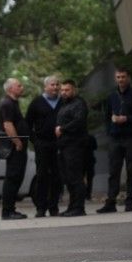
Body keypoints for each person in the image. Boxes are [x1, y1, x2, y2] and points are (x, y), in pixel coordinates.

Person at [97, 67, 132, 213]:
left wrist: (127, 119)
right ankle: (110, 202)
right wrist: (110, 130)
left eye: (123, 77)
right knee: (114, 171)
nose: (121, 80)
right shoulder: (112, 96)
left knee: (131, 170)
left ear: (128, 78)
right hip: (115, 138)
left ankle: (129, 202)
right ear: (116, 79)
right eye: (118, 77)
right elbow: (106, 116)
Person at [24, 74, 62, 217]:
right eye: (52, 84)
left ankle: (54, 207)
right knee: (42, 176)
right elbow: (27, 124)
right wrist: (35, 141)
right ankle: (41, 208)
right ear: (45, 87)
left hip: (59, 144)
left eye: (57, 84)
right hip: (42, 144)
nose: (55, 87)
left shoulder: (63, 102)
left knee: (57, 176)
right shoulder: (36, 102)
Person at [54, 78, 89, 217]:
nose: (64, 92)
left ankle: (79, 207)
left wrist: (62, 129)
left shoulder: (79, 104)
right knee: (68, 178)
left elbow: (79, 121)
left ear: (74, 90)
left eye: (67, 90)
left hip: (75, 145)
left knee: (75, 177)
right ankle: (72, 206)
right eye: (62, 90)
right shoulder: (63, 104)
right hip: (64, 146)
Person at [0, 78, 29, 220]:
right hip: (14, 148)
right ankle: (8, 211)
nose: (22, 87)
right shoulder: (7, 103)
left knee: (17, 178)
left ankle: (11, 209)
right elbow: (8, 125)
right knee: (12, 178)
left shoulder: (14, 103)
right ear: (10, 89)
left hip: (18, 147)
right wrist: (17, 142)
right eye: (19, 85)